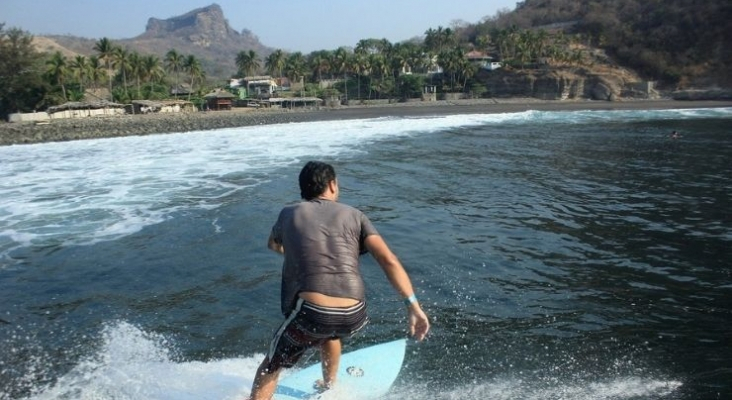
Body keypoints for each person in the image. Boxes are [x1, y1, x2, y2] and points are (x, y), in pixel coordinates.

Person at [248, 161, 430, 400]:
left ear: (303, 189)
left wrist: (298, 255)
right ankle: (329, 386)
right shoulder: (356, 215)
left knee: (271, 365)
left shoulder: (288, 213)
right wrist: (413, 307)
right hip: (354, 314)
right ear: (332, 185)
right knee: (330, 333)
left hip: (312, 313)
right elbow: (389, 260)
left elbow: (273, 244)